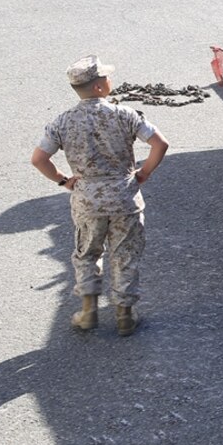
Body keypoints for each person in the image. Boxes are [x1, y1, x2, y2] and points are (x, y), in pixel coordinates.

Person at [30, 56, 169, 336]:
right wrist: (143, 173)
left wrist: (63, 181)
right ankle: (125, 315)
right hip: (125, 198)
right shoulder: (125, 114)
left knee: (87, 253)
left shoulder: (62, 121)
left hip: (87, 200)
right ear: (98, 87)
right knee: (125, 255)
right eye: (106, 77)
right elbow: (160, 144)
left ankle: (88, 311)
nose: (110, 80)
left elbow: (39, 158)